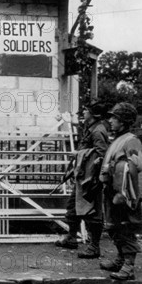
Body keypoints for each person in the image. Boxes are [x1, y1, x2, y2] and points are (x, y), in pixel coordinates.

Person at [55, 102, 109, 258]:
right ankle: (71, 237)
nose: (83, 112)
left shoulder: (98, 131)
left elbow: (101, 155)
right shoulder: (90, 127)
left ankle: (94, 247)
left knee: (92, 211)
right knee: (73, 206)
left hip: (91, 179)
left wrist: (80, 155)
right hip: (82, 175)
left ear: (93, 114)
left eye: (86, 110)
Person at [98, 102, 142, 281]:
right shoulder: (117, 138)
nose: (110, 120)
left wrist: (117, 163)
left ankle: (128, 266)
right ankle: (120, 258)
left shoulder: (131, 140)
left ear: (123, 122)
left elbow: (135, 166)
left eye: (114, 118)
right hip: (111, 189)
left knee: (126, 226)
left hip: (124, 192)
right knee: (113, 226)